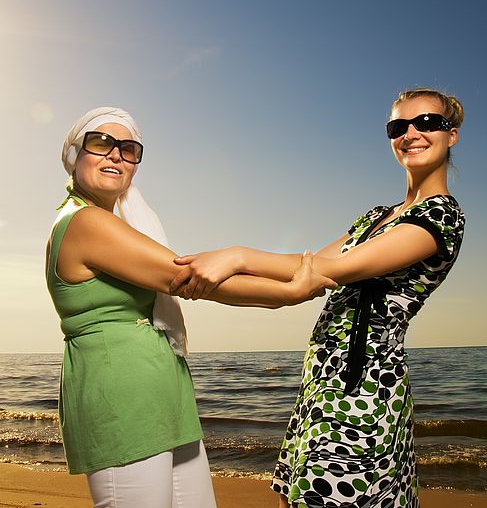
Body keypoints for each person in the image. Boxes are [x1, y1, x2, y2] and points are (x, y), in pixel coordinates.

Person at [168, 88, 466, 508]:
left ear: (451, 135)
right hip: (321, 380)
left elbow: (335, 270)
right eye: (399, 126)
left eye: (427, 123)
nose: (412, 133)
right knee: (296, 499)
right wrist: (206, 282)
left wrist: (236, 256)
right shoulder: (377, 215)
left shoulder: (442, 216)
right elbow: (306, 266)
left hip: (366, 388)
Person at [45, 106, 335, 508]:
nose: (116, 155)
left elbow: (193, 269)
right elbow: (187, 277)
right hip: (121, 399)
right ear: (76, 156)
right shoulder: (86, 223)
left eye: (129, 149)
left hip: (166, 393)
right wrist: (289, 292)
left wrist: (308, 266)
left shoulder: (116, 225)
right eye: (101, 143)